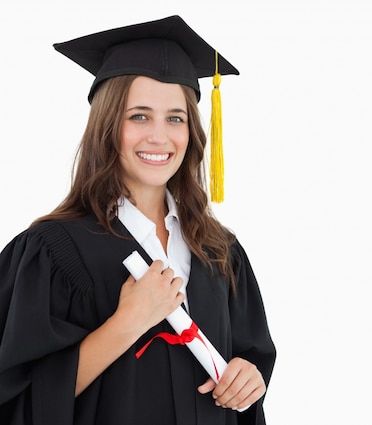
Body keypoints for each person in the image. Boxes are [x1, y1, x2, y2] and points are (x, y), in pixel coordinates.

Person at [0, 15, 276, 425]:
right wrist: (127, 322)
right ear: (108, 126)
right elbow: (17, 397)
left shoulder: (220, 251)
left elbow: (249, 362)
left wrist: (248, 378)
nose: (159, 137)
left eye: (175, 118)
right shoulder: (51, 251)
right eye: (139, 116)